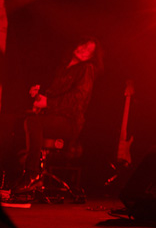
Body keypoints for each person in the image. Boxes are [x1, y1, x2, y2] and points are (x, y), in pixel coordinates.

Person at [14, 36, 103, 191]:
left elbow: (77, 99)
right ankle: (29, 171)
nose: (83, 50)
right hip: (55, 116)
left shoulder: (86, 69)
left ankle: (32, 174)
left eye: (89, 50)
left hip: (70, 121)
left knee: (32, 122)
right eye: (83, 45)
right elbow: (54, 95)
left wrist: (47, 103)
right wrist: (39, 98)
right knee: (23, 119)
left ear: (91, 57)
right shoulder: (63, 67)